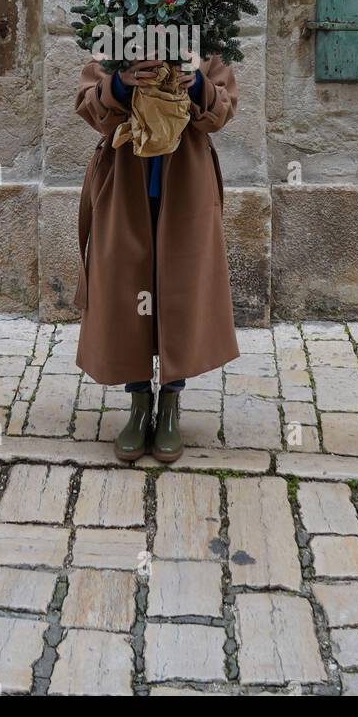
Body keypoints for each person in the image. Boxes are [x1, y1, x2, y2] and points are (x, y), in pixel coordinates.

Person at [73, 50, 240, 463]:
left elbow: (224, 109)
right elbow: (90, 107)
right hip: (125, 185)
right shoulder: (116, 40)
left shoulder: (203, 42)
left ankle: (169, 406)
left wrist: (197, 85)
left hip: (185, 185)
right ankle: (138, 404)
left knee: (178, 292)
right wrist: (119, 83)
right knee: (127, 291)